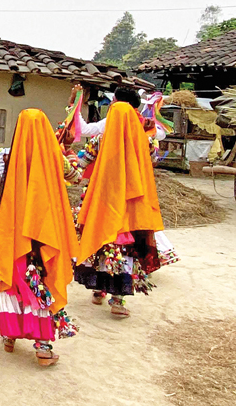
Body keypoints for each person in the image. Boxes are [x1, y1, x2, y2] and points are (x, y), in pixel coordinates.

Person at [0, 109, 82, 367]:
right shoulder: (56, 156)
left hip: (11, 231)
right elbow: (76, 178)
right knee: (42, 279)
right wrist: (72, 157)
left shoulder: (4, 156)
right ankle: (43, 346)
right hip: (44, 234)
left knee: (11, 278)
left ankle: (10, 335)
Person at [75, 102, 165, 318]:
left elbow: (81, 163)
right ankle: (117, 300)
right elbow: (153, 161)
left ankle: (99, 290)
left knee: (101, 241)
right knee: (125, 249)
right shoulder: (144, 141)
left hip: (102, 201)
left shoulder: (99, 140)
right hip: (130, 204)